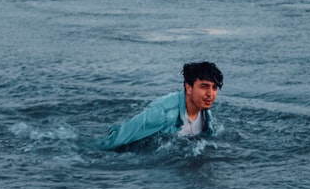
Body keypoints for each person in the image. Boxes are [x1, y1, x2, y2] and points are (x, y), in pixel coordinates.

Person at [95, 61, 224, 150]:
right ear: (188, 87)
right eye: (204, 87)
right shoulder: (162, 112)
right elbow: (120, 137)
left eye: (214, 88)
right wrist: (91, 151)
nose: (210, 94)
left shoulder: (205, 111)